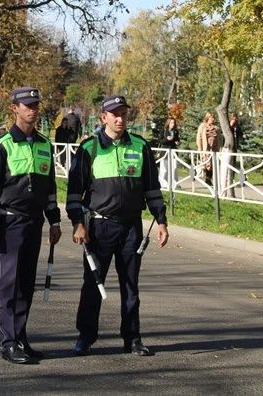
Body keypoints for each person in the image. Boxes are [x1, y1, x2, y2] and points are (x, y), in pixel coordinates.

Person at [67, 94, 169, 357]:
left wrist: (161, 220)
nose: (120, 118)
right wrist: (78, 223)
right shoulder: (89, 148)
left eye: (123, 113)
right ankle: (86, 337)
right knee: (92, 283)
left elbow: (152, 188)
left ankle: (132, 338)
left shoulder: (140, 147)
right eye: (115, 114)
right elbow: (74, 193)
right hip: (99, 228)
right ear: (103, 118)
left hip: (132, 228)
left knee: (130, 285)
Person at [0, 86, 62, 364]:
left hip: (34, 222)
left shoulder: (44, 145)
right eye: (27, 105)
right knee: (8, 284)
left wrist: (54, 220)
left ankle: (22, 337)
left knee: (26, 284)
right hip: (9, 222)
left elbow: (50, 188)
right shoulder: (1, 145)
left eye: (36, 104)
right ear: (14, 108)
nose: (33, 109)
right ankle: (9, 342)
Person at [196, 111, 220, 185]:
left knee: (213, 164)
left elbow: (219, 138)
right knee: (208, 164)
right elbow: (199, 138)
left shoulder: (216, 127)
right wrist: (200, 149)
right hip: (206, 148)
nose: (213, 119)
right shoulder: (202, 126)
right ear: (208, 118)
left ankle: (209, 179)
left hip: (214, 148)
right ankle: (208, 179)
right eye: (211, 117)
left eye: (213, 117)